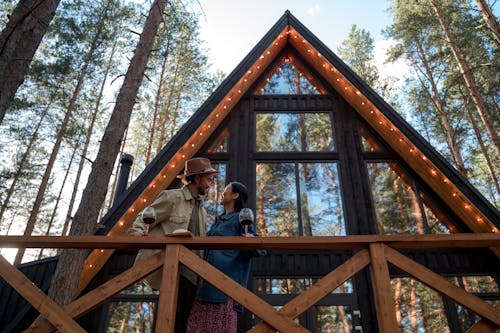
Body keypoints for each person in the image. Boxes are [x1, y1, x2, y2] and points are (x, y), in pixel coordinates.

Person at [127, 157, 218, 333]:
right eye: (208, 179)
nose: (210, 184)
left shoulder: (202, 210)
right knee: (170, 322)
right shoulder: (172, 197)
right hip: (172, 270)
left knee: (181, 324)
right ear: (197, 178)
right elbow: (145, 217)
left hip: (194, 275)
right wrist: (138, 232)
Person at [186, 181, 266, 333]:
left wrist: (251, 241)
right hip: (205, 282)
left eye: (226, 190)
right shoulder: (218, 222)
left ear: (235, 195)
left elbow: (258, 249)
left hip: (224, 284)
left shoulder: (239, 218)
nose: (222, 193)